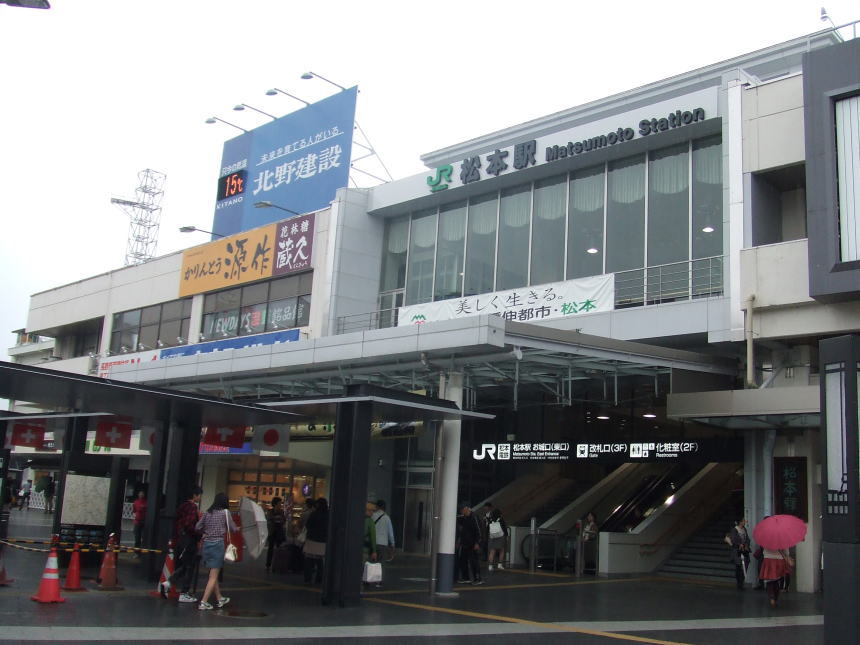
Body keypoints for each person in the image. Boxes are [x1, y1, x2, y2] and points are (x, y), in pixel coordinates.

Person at [195, 492, 237, 610]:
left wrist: (205, 532)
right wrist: (237, 528)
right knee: (213, 576)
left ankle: (219, 598)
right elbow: (233, 528)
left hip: (206, 545)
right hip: (217, 545)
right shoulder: (225, 513)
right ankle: (203, 602)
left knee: (212, 574)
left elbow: (197, 527)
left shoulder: (207, 513)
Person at [166, 485, 203, 603]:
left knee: (186, 564)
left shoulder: (183, 506)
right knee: (190, 566)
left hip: (182, 539)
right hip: (190, 540)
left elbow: (180, 522)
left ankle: (170, 582)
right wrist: (199, 534)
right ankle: (184, 592)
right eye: (199, 495)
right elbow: (189, 524)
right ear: (195, 495)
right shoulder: (192, 507)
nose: (200, 498)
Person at [456, 502, 483, 585]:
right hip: (465, 543)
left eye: (462, 510)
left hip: (473, 543)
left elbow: (479, 530)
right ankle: (466, 577)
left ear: (466, 509)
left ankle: (477, 578)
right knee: (462, 560)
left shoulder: (474, 517)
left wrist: (477, 542)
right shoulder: (464, 518)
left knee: (473, 561)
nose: (461, 511)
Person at [303, 498, 328, 584]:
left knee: (309, 560)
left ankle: (308, 578)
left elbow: (308, 525)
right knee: (319, 561)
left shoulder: (314, 514)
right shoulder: (328, 514)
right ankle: (319, 579)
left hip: (311, 539)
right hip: (322, 541)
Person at [265, 497, 287, 571]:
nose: (280, 505)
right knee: (270, 549)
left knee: (278, 549)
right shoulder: (270, 511)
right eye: (279, 503)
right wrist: (277, 518)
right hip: (272, 532)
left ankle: (277, 564)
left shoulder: (281, 511)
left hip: (279, 532)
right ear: (275, 504)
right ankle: (268, 564)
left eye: (281, 503)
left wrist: (278, 519)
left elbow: (283, 520)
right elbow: (270, 519)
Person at [729, 517, 751, 590]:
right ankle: (739, 584)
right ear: (740, 522)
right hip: (737, 551)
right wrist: (739, 544)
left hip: (744, 550)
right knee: (739, 567)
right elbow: (733, 539)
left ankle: (741, 582)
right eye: (744, 521)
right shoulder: (735, 530)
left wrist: (746, 545)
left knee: (745, 565)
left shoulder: (744, 529)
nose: (745, 522)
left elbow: (747, 539)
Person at [486, 506, 508, 572]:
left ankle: (490, 566)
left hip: (492, 536)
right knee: (502, 550)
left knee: (492, 551)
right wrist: (506, 535)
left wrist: (487, 536)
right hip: (500, 536)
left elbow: (488, 528)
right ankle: (500, 564)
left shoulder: (490, 520)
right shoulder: (501, 519)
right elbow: (504, 528)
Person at [132, 490, 147, 556]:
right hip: (137, 521)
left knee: (144, 538)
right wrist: (135, 516)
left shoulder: (147, 502)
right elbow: (134, 511)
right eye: (140, 494)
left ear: (144, 495)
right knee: (137, 538)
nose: (141, 495)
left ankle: (143, 553)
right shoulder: (135, 502)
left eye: (142, 494)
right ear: (138, 495)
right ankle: (136, 553)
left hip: (144, 521)